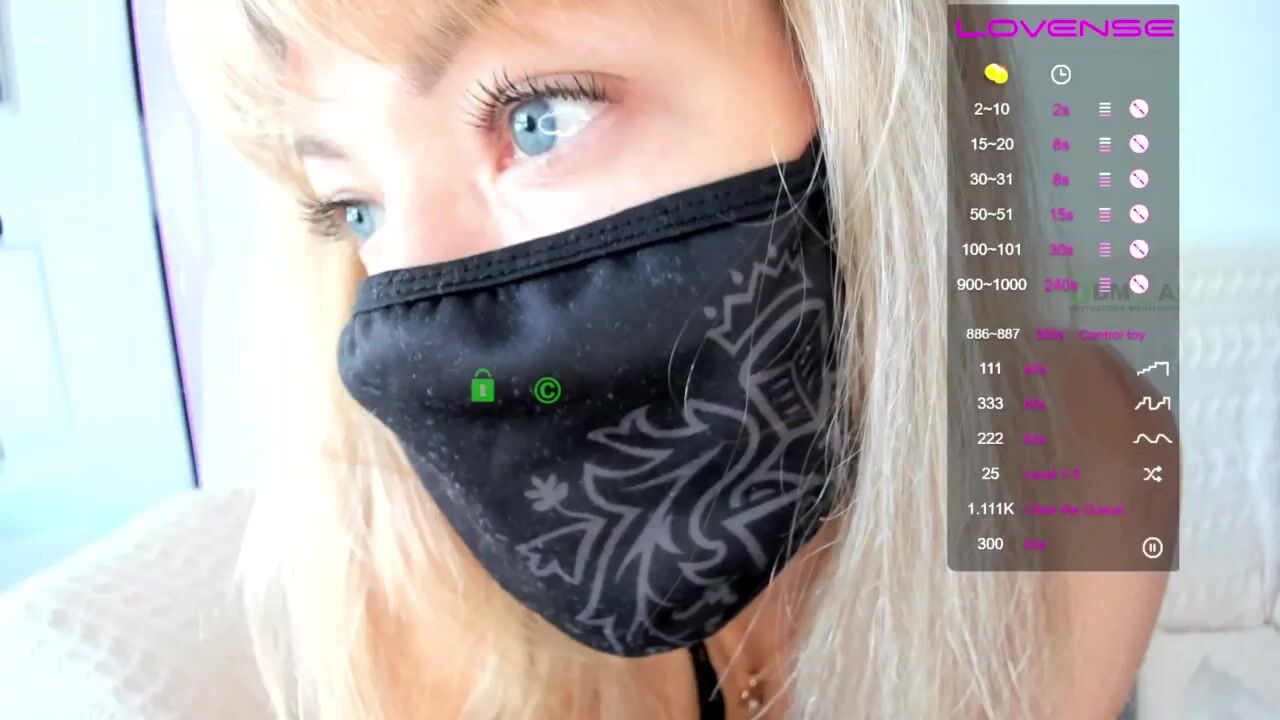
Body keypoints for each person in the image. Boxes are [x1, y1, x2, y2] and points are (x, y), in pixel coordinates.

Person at [167, 0, 1176, 718]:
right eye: (355, 207)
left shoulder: (1080, 461)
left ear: (833, 59)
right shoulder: (394, 558)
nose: (425, 303)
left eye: (537, 119)